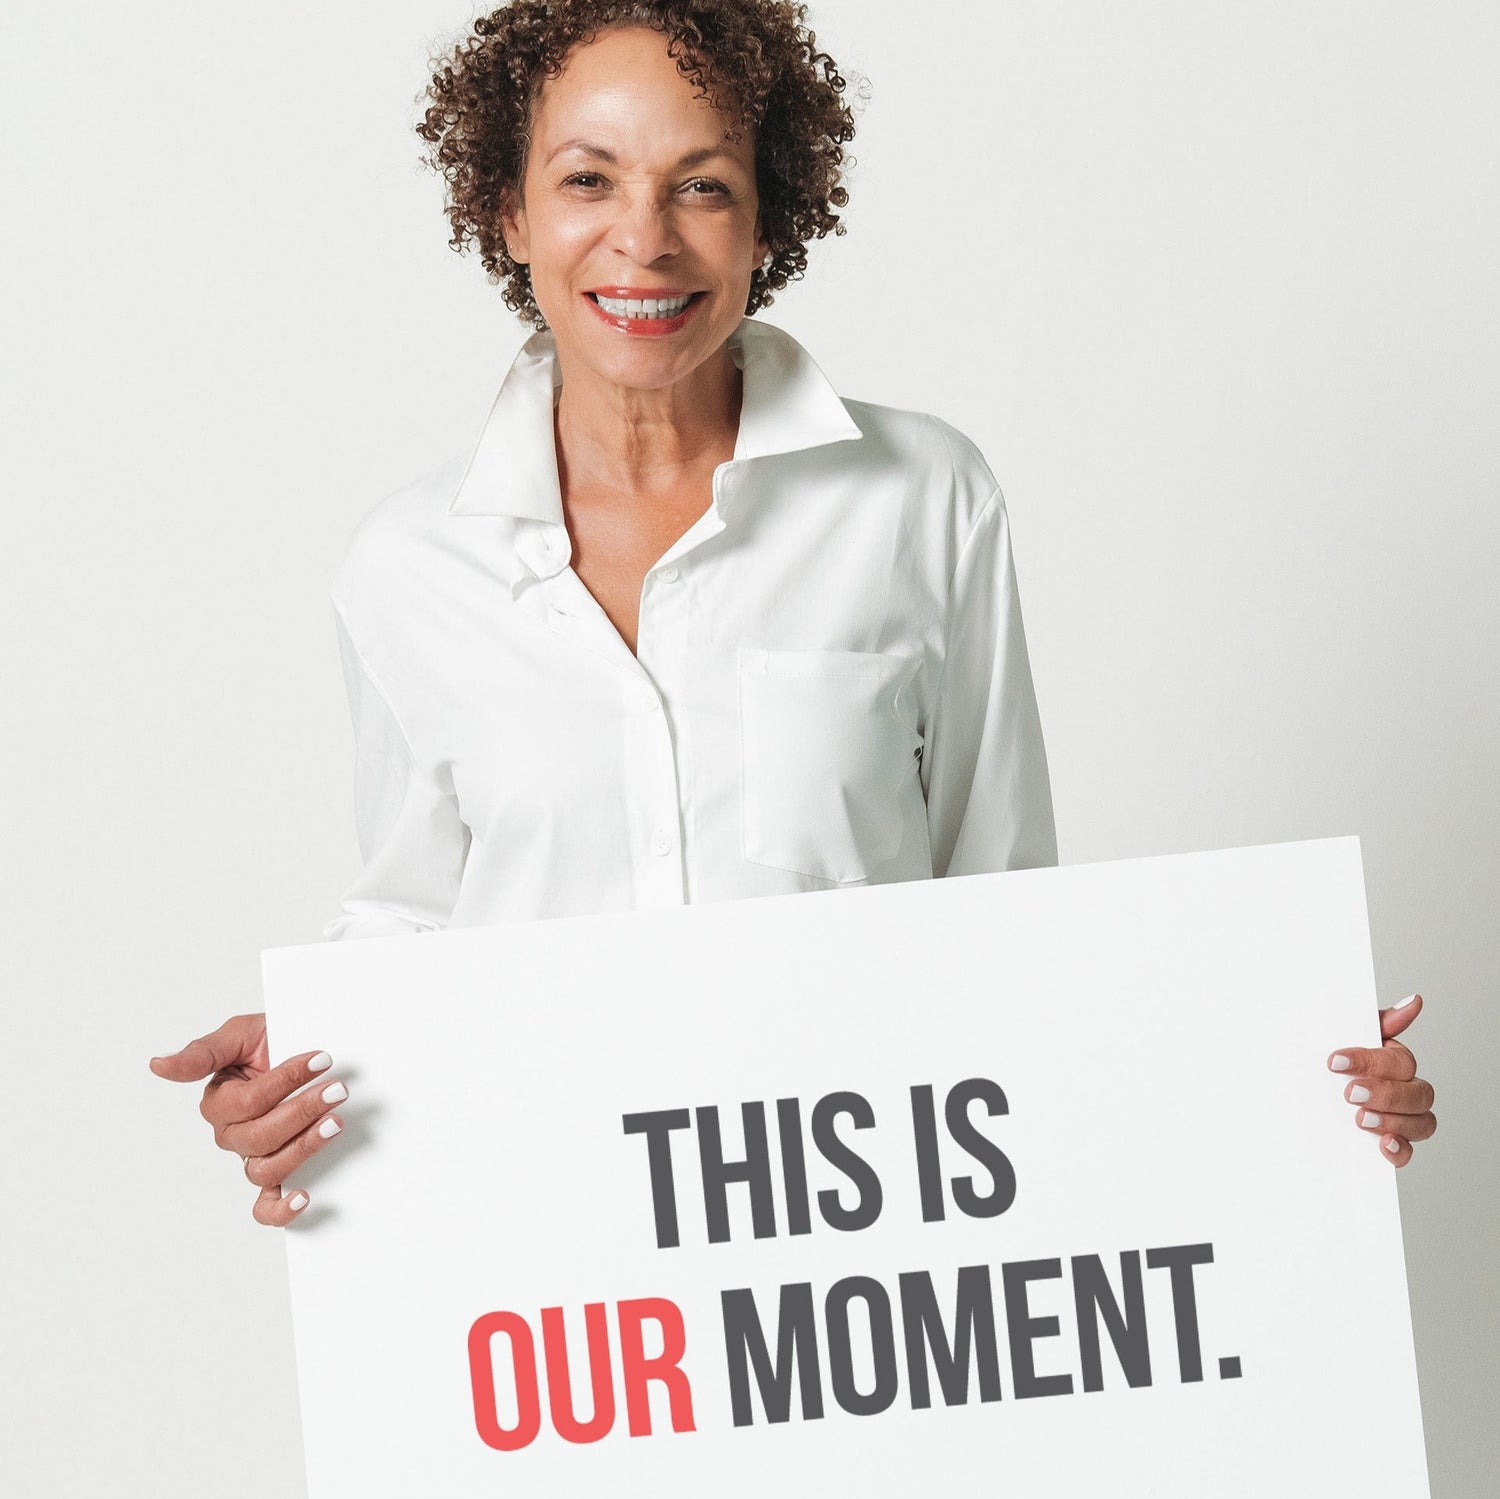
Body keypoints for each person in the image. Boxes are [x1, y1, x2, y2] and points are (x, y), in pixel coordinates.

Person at [148, 0, 1437, 1225]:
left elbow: (1012, 919)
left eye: (701, 184)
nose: (643, 239)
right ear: (511, 212)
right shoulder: (406, 568)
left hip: (861, 1255)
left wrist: (1275, 1077)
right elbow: (413, 915)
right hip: (562, 1256)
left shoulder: (921, 498)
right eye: (588, 180)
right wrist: (307, 1056)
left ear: (770, 217)